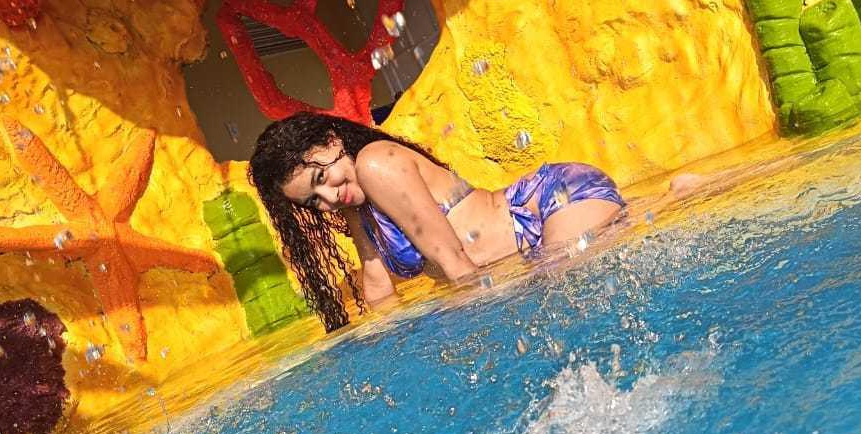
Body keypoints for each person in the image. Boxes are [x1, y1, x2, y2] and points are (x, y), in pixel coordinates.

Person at [249, 112, 628, 331]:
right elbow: (379, 293)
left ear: (332, 142)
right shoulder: (355, 204)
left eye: (320, 178)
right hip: (532, 247)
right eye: (313, 200)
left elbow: (456, 262)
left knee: (573, 306)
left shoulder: (374, 163)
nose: (329, 198)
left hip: (554, 202)